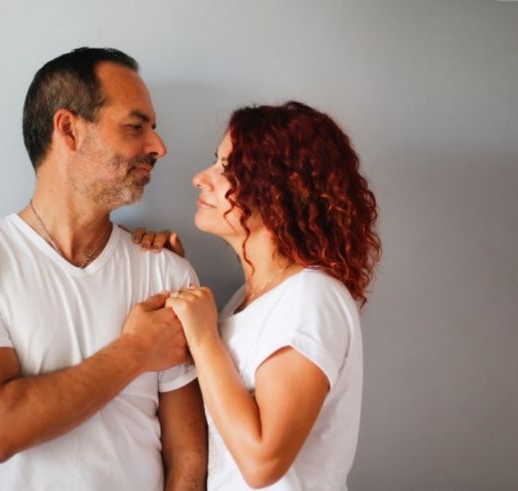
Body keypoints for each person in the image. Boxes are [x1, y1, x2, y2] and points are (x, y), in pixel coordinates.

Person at [0, 48, 207, 490]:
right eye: (135, 126)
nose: (159, 147)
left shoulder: (167, 272)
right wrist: (135, 352)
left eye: (154, 129)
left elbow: (187, 456)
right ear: (69, 130)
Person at [139, 101, 380, 490]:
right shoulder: (245, 301)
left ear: (277, 191)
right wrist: (169, 279)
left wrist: (204, 338)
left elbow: (262, 461)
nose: (201, 178)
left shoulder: (312, 297)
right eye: (214, 163)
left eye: (227, 169)